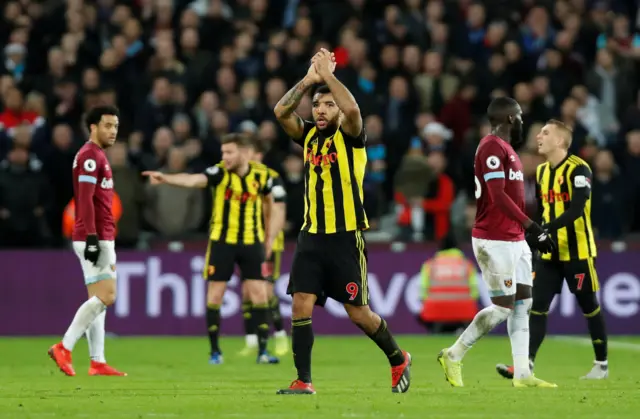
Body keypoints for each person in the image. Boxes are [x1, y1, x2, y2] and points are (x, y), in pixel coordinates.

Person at [273, 49, 412, 395]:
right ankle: (303, 380)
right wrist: (310, 79)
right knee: (300, 302)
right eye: (317, 105)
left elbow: (352, 110)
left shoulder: (350, 137)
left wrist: (329, 76)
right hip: (311, 237)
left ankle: (398, 358)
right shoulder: (307, 137)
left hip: (345, 238)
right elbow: (280, 111)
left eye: (327, 105)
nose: (321, 110)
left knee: (358, 313)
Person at [436, 97, 557, 388]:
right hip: (494, 238)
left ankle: (523, 374)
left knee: (523, 303)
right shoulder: (490, 146)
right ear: (512, 118)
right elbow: (497, 195)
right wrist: (532, 225)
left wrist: (524, 231)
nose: (523, 122)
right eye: (521, 117)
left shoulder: (509, 151)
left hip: (514, 239)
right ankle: (454, 353)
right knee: (503, 307)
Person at [142, 134, 281, 365]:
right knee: (215, 295)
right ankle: (215, 351)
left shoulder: (262, 176)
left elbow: (269, 204)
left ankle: (263, 351)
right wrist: (166, 178)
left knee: (259, 293)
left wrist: (268, 237)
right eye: (223, 152)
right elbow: (194, 180)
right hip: (222, 242)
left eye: (229, 152)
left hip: (251, 242)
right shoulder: (219, 173)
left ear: (244, 153)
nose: (224, 157)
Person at [496, 120, 608, 380]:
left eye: (545, 133)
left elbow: (577, 209)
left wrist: (546, 229)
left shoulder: (579, 169)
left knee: (589, 306)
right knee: (536, 307)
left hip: (577, 252)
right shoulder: (543, 172)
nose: (539, 136)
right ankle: (527, 364)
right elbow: (544, 212)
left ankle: (601, 365)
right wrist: (537, 235)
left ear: (559, 141)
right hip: (549, 254)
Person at [48, 105, 126, 377]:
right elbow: (83, 199)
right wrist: (92, 237)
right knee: (108, 295)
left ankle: (97, 361)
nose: (113, 131)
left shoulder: (97, 156)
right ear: (93, 127)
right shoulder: (89, 157)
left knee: (97, 299)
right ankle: (64, 346)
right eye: (107, 125)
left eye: (115, 126)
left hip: (99, 235)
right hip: (95, 236)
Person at [238, 139, 289, 357]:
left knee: (266, 291)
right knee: (247, 292)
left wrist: (270, 239)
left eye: (254, 154)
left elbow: (280, 209)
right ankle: (251, 341)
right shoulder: (240, 178)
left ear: (259, 156)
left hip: (269, 243)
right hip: (247, 240)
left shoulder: (272, 178)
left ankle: (280, 337)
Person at [417, 234, 479, 334]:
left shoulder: (430, 264)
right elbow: (475, 292)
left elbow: (423, 291)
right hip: (464, 311)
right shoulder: (467, 264)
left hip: (434, 311)